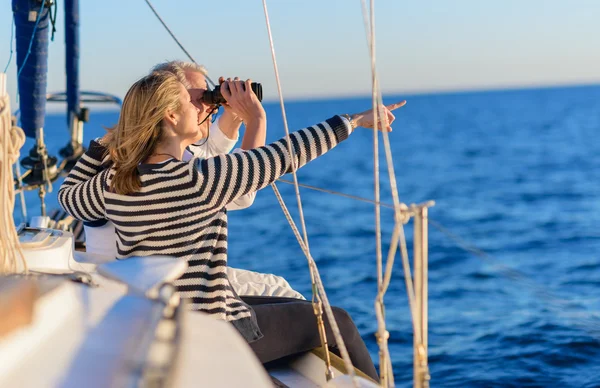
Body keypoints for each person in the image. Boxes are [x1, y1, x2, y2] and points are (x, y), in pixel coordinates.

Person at [58, 70, 405, 380]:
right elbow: (288, 152)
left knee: (270, 304)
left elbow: (68, 195)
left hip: (159, 329)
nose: (201, 108)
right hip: (208, 334)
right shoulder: (202, 179)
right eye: (192, 103)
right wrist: (356, 120)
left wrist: (109, 139)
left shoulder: (115, 185)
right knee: (337, 321)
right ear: (171, 115)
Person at [83, 61, 302, 298]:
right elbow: (240, 192)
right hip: (158, 286)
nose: (208, 106)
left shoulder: (134, 150)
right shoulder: (157, 165)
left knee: (276, 285)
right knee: (282, 292)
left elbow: (208, 157)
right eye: (196, 100)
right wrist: (256, 120)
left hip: (131, 275)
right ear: (168, 106)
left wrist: (235, 115)